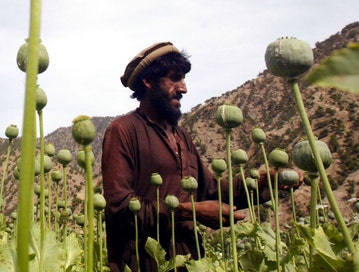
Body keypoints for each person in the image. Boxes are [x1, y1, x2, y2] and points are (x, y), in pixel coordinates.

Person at [102, 42, 274, 272]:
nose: (183, 88)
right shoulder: (123, 130)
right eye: (174, 78)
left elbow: (210, 191)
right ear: (148, 81)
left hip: (189, 261)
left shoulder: (181, 136)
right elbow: (119, 207)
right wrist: (192, 211)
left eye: (183, 79)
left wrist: (265, 186)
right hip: (142, 262)